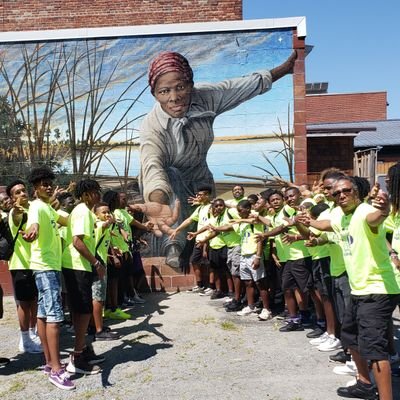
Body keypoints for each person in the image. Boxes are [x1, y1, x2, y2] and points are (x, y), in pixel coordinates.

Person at [139, 50, 297, 267]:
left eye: (181, 88)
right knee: (172, 182)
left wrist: (284, 70)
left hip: (199, 172)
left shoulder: (205, 97)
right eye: (164, 91)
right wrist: (158, 202)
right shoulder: (152, 126)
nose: (174, 98)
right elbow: (152, 165)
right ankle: (172, 247)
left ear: (191, 85)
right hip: (168, 179)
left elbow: (240, 87)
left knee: (207, 213)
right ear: (155, 94)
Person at [299, 176, 400, 400]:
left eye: (346, 191)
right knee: (350, 336)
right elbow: (325, 225)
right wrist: (308, 221)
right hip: (358, 289)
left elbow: (375, 219)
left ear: (356, 192)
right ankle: (364, 383)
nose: (341, 195)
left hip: (377, 290)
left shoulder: (364, 212)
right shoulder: (341, 216)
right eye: (336, 194)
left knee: (375, 350)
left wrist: (383, 210)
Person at [23, 166, 74, 390]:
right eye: (43, 183)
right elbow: (33, 222)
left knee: (44, 315)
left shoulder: (46, 207)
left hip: (47, 267)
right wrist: (32, 229)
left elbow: (63, 220)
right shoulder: (36, 207)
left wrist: (59, 199)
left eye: (49, 182)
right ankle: (56, 369)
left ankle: (48, 362)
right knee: (54, 316)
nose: (48, 185)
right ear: (35, 187)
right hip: (45, 268)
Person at [62, 179, 105, 375]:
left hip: (81, 267)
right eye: (96, 191)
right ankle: (77, 357)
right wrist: (96, 263)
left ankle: (84, 350)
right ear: (86, 194)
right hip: (76, 266)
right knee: (82, 312)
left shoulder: (86, 212)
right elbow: (77, 242)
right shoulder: (81, 212)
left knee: (83, 310)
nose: (99, 195)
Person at [6, 180, 42, 354]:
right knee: (24, 304)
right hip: (21, 264)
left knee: (34, 300)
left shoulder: (32, 209)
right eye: (17, 192)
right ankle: (25, 340)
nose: (22, 194)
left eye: (23, 190)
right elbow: (16, 217)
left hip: (34, 262)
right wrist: (17, 209)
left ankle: (34, 333)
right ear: (12, 198)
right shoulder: (15, 212)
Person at [170, 187, 212, 292]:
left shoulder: (212, 207)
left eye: (200, 195)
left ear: (207, 195)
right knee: (194, 260)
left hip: (209, 239)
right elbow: (189, 220)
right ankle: (200, 285)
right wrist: (177, 230)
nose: (198, 197)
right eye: (198, 195)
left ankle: (212, 287)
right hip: (199, 240)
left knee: (211, 264)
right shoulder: (200, 208)